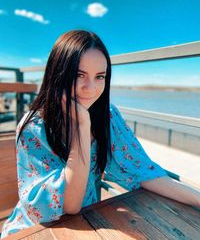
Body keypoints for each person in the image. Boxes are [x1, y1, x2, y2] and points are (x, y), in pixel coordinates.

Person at [1, 30, 200, 238]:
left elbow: (145, 172)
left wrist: (198, 198)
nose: (91, 88)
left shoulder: (108, 116)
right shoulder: (35, 127)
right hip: (35, 230)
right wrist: (82, 126)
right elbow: (70, 204)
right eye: (79, 75)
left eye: (100, 77)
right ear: (57, 74)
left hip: (88, 224)